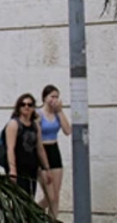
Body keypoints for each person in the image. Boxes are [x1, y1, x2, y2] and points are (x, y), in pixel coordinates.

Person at [5, 92, 51, 199]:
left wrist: (47, 168)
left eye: (29, 105)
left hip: (32, 168)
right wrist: (12, 170)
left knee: (30, 197)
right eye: (23, 104)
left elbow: (40, 148)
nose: (26, 107)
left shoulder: (35, 126)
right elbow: (10, 148)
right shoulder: (14, 124)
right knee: (19, 198)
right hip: (19, 168)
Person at [37, 84, 71, 217]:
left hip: (54, 150)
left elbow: (67, 131)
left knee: (56, 197)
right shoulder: (38, 114)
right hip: (42, 150)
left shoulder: (57, 113)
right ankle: (29, 213)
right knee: (49, 197)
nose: (54, 99)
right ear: (45, 98)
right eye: (52, 96)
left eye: (57, 97)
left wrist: (60, 111)